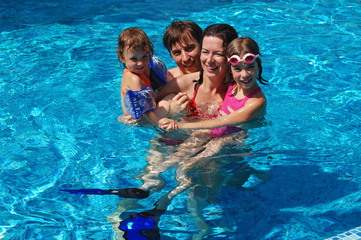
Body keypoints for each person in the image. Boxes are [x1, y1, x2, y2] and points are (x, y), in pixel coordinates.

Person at [158, 36, 267, 135]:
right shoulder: (234, 84)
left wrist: (180, 125)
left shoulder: (257, 102)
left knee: (195, 157)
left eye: (250, 67)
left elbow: (223, 121)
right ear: (230, 69)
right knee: (176, 154)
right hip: (210, 133)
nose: (244, 75)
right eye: (237, 69)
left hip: (230, 141)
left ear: (258, 65)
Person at [157, 23, 238, 119]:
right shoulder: (171, 83)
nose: (185, 58)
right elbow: (145, 115)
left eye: (190, 48)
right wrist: (173, 114)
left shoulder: (238, 81)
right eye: (177, 52)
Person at [117, 27, 170, 125]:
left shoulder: (142, 70)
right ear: (122, 57)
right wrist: (161, 126)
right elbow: (145, 112)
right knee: (171, 102)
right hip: (139, 121)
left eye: (144, 56)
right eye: (134, 59)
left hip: (147, 111)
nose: (140, 63)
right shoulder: (134, 79)